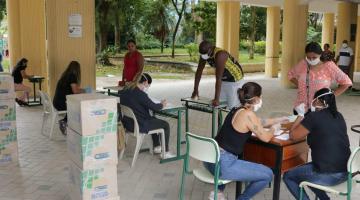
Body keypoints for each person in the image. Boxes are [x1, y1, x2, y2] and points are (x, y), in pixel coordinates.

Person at [204, 82, 289, 200]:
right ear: (258, 98)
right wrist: (274, 129)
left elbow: (259, 122)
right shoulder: (248, 114)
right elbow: (265, 137)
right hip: (223, 164)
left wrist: (277, 120)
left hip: (210, 159)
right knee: (268, 174)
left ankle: (218, 192)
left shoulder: (236, 109)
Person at [283, 88, 351, 200]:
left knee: (288, 176)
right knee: (305, 173)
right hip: (345, 171)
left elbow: (293, 136)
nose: (312, 103)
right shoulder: (338, 116)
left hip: (329, 174)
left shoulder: (313, 117)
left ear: (319, 101)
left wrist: (300, 115)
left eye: (313, 100)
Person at [119, 73, 174, 159]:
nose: (147, 87)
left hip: (128, 124)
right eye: (148, 85)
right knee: (165, 125)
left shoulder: (124, 90)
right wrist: (162, 104)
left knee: (154, 119)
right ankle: (165, 152)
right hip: (140, 124)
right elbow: (155, 107)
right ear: (145, 82)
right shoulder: (141, 94)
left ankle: (157, 146)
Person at [288, 42, 352, 115]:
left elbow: (347, 82)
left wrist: (330, 97)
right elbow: (290, 75)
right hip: (300, 107)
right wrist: (300, 84)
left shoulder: (328, 65)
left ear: (320, 54)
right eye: (308, 57)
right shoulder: (303, 63)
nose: (311, 60)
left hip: (319, 109)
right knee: (297, 126)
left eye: (314, 57)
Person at [191, 40, 244, 108]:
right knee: (221, 106)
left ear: (210, 49)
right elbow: (199, 71)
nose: (203, 56)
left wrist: (216, 99)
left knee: (232, 106)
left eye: (205, 53)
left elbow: (218, 77)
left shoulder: (220, 54)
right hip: (224, 79)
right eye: (202, 54)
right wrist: (195, 90)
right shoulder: (204, 54)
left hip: (235, 80)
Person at [53, 61, 85, 135]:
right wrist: (85, 90)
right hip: (61, 104)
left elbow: (74, 89)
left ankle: (70, 123)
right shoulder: (72, 76)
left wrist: (82, 90)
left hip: (57, 102)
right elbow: (76, 91)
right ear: (77, 69)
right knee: (78, 107)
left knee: (76, 105)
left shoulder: (65, 75)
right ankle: (65, 121)